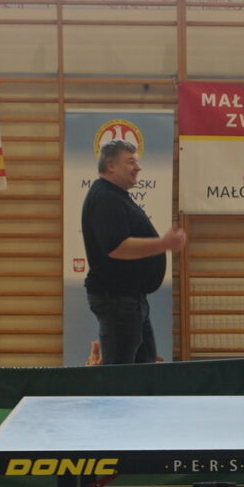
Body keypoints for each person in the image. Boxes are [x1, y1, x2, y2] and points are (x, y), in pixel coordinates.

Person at [80, 139, 187, 364]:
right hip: (117, 299)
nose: (137, 168)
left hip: (130, 300)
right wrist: (164, 244)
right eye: (130, 162)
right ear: (111, 166)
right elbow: (117, 247)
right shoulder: (106, 197)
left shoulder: (115, 196)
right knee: (121, 374)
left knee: (143, 369)